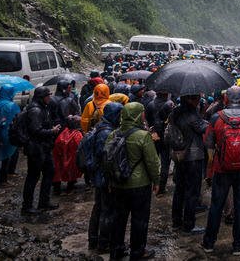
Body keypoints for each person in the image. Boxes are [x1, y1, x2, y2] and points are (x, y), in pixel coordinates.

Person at [201, 87, 240, 256]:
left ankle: (208, 243)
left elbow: (208, 144)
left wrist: (212, 164)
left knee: (216, 205)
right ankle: (238, 244)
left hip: (221, 169)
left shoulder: (216, 118)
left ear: (226, 100)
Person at [108, 102, 161, 260]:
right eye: (142, 113)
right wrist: (156, 181)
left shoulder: (113, 134)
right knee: (139, 219)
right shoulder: (143, 136)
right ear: (138, 115)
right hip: (140, 184)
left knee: (118, 218)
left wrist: (110, 181)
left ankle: (116, 250)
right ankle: (137, 251)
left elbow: (107, 160)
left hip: (118, 184)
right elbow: (152, 162)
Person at [82, 101, 123, 253]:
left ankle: (94, 240)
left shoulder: (101, 126)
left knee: (99, 208)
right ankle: (103, 243)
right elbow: (106, 157)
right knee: (106, 210)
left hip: (99, 176)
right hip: (104, 177)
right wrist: (111, 178)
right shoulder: (106, 132)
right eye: (119, 115)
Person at [166, 93, 208, 234]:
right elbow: (203, 128)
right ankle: (189, 225)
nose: (198, 101)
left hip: (179, 155)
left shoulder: (175, 112)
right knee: (192, 192)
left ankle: (176, 221)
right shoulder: (191, 114)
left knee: (179, 190)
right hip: (193, 156)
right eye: (196, 98)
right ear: (189, 99)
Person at [22, 86, 61, 215]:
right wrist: (52, 131)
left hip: (44, 147)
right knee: (33, 177)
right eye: (47, 96)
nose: (50, 97)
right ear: (41, 97)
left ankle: (44, 201)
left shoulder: (43, 107)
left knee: (49, 172)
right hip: (36, 148)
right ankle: (27, 206)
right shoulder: (35, 110)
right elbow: (35, 130)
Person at [0, 84, 21, 184]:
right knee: (9, 155)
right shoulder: (12, 105)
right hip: (9, 132)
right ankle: (4, 179)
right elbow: (18, 118)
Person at [52, 115, 83, 195]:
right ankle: (70, 188)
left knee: (58, 171)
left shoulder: (62, 133)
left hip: (60, 157)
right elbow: (80, 146)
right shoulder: (77, 135)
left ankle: (57, 189)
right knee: (72, 171)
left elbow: (57, 145)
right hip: (71, 157)